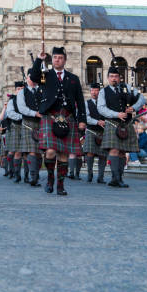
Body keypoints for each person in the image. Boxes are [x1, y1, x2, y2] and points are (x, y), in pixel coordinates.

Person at [30, 46, 86, 196]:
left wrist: (82, 120)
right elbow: (33, 77)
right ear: (52, 59)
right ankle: (50, 179)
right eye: (55, 57)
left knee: (64, 154)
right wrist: (38, 59)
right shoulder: (45, 75)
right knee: (50, 151)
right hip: (50, 116)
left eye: (60, 57)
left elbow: (80, 101)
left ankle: (60, 185)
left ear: (65, 60)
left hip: (68, 118)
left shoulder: (73, 79)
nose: (57, 60)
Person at [98, 66, 145, 188]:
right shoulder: (104, 91)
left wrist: (133, 108)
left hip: (127, 124)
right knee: (114, 150)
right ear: (108, 78)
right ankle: (116, 178)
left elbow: (142, 98)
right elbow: (101, 108)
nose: (114, 78)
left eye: (116, 76)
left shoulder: (128, 88)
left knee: (123, 152)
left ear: (119, 77)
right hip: (113, 123)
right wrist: (116, 114)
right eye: (112, 76)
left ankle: (119, 178)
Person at [16, 69, 44, 187]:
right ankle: (33, 177)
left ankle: (36, 176)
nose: (32, 79)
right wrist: (35, 113)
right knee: (32, 151)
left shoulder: (43, 90)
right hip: (28, 124)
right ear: (27, 78)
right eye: (30, 77)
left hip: (42, 124)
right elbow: (21, 108)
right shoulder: (22, 92)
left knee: (39, 153)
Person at [83, 83, 108, 183]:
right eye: (92, 90)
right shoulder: (86, 103)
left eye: (96, 90)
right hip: (91, 130)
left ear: (99, 92)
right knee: (89, 153)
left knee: (103, 155)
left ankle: (100, 177)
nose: (94, 92)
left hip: (103, 132)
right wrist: (97, 122)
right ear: (90, 92)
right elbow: (86, 118)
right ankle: (90, 174)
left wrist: (105, 121)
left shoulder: (105, 103)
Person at [5, 82, 25, 182]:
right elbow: (10, 113)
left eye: (22, 88)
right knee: (15, 151)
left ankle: (27, 176)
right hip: (16, 126)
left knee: (28, 152)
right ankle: (15, 173)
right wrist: (23, 117)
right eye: (18, 89)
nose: (20, 91)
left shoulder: (28, 100)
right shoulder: (12, 101)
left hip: (28, 127)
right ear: (15, 90)